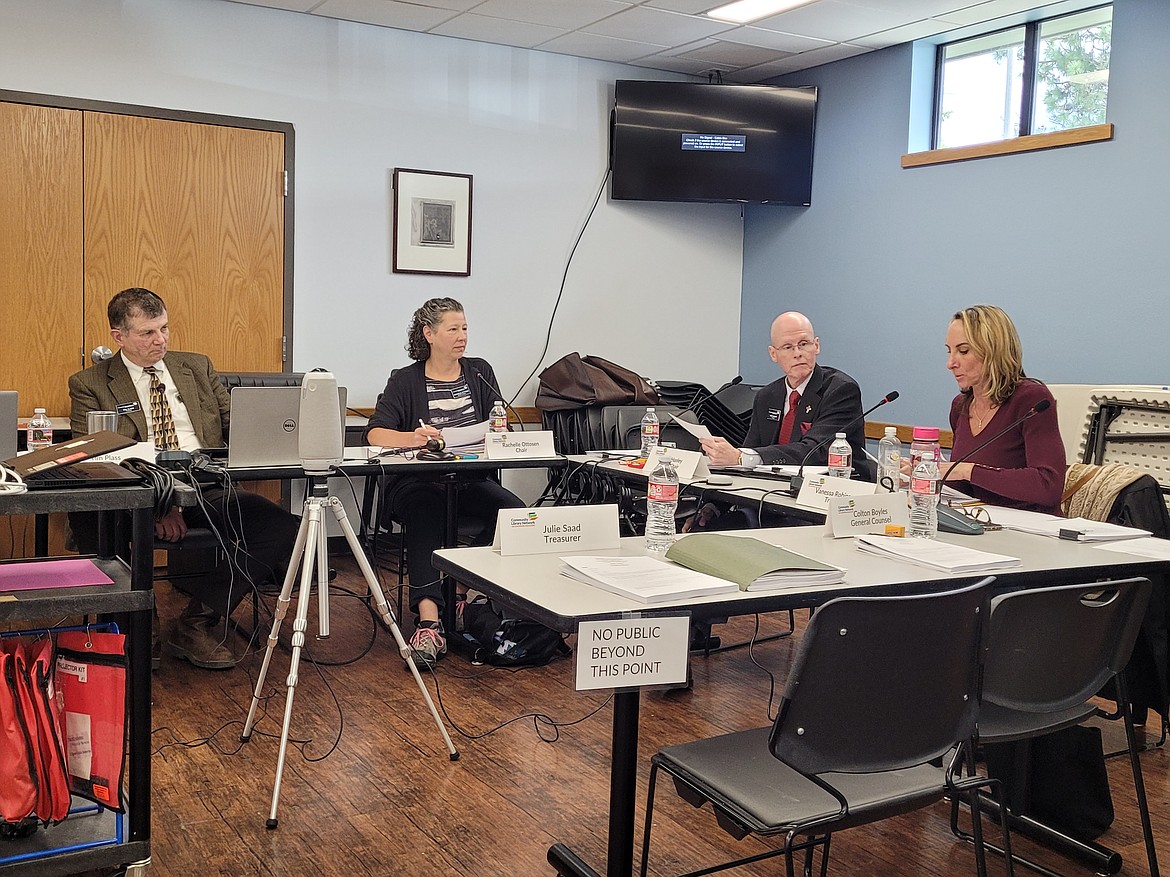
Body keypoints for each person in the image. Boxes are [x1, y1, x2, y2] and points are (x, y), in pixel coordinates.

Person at [69, 287, 299, 670]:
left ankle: (197, 622)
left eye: (164, 328)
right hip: (138, 488)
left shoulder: (196, 367)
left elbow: (235, 424)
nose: (160, 340)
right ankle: (141, 625)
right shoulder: (89, 384)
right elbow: (96, 453)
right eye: (147, 333)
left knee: (277, 525)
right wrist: (162, 503)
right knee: (98, 519)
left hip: (205, 481)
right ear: (118, 336)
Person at [364, 297, 524, 668]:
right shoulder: (405, 380)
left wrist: (498, 432)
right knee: (427, 512)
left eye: (465, 328)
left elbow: (501, 424)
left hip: (467, 480)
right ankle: (429, 623)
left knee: (514, 513)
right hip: (418, 483)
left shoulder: (479, 372)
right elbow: (374, 434)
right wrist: (414, 439)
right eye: (453, 329)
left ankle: (460, 591)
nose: (462, 336)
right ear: (429, 334)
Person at [700, 311, 871, 479]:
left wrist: (741, 456)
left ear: (816, 346)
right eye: (788, 347)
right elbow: (753, 448)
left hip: (830, 492)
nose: (797, 353)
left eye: (804, 344)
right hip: (771, 490)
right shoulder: (767, 396)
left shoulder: (840, 390)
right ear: (773, 354)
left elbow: (815, 451)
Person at [942, 305, 1066, 515]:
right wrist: (925, 475)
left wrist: (967, 470)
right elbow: (963, 490)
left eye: (963, 351)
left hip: (1033, 532)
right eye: (949, 351)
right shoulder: (960, 407)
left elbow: (1048, 486)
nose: (950, 363)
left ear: (992, 351)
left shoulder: (1031, 400)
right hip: (983, 526)